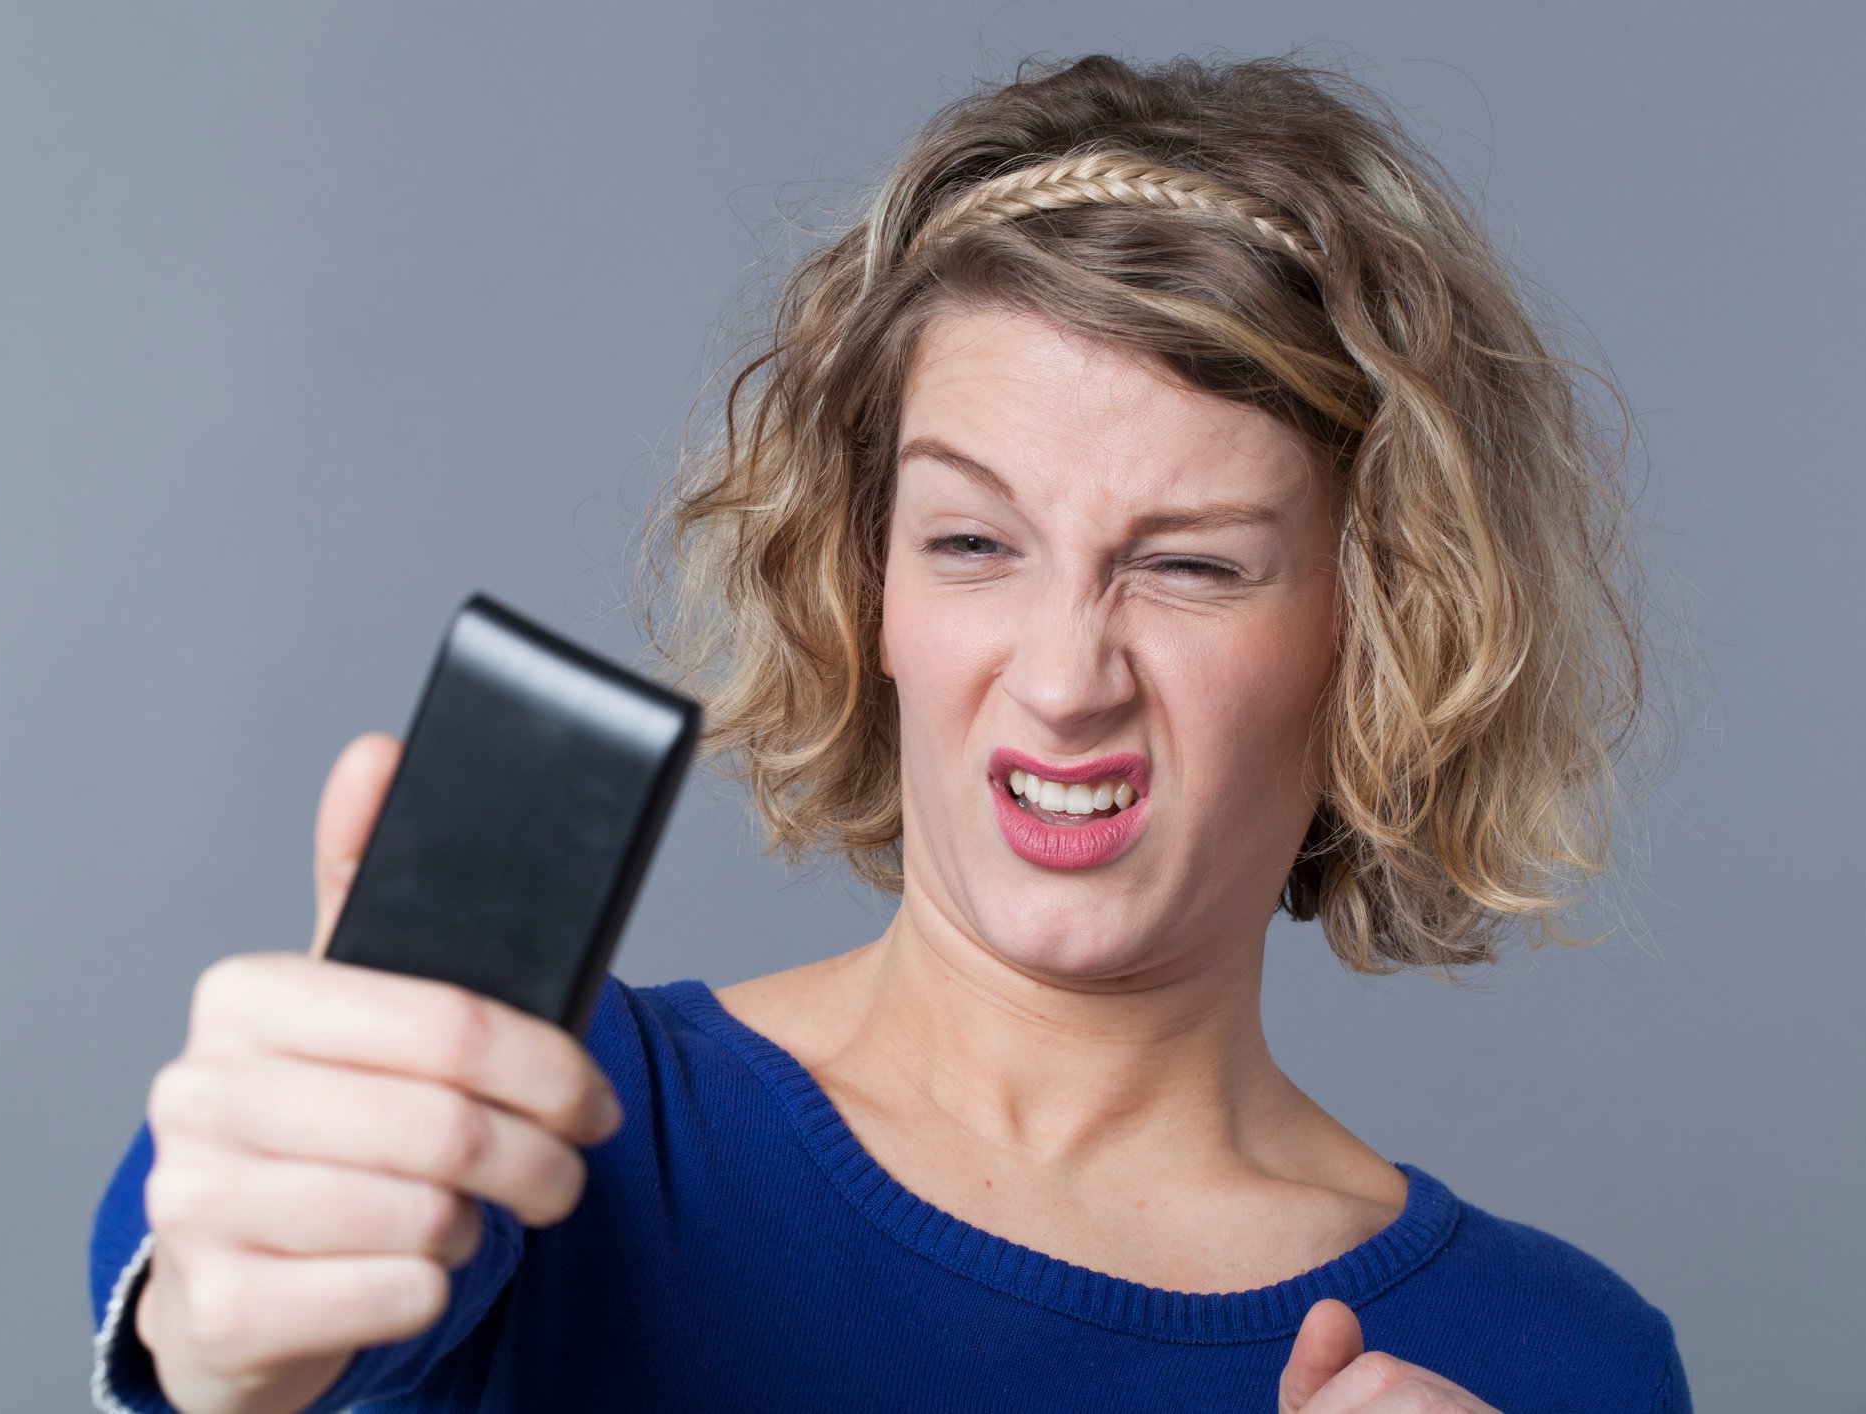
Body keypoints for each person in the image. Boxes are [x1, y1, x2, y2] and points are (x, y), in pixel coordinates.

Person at [88, 51, 1691, 1413]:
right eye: (972, 543)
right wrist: (222, 1311)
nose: (1066, 674)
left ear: (1377, 634)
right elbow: (252, 1302)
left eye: (1191, 565)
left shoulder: (1560, 1359)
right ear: (865, 593)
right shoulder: (551, 1122)